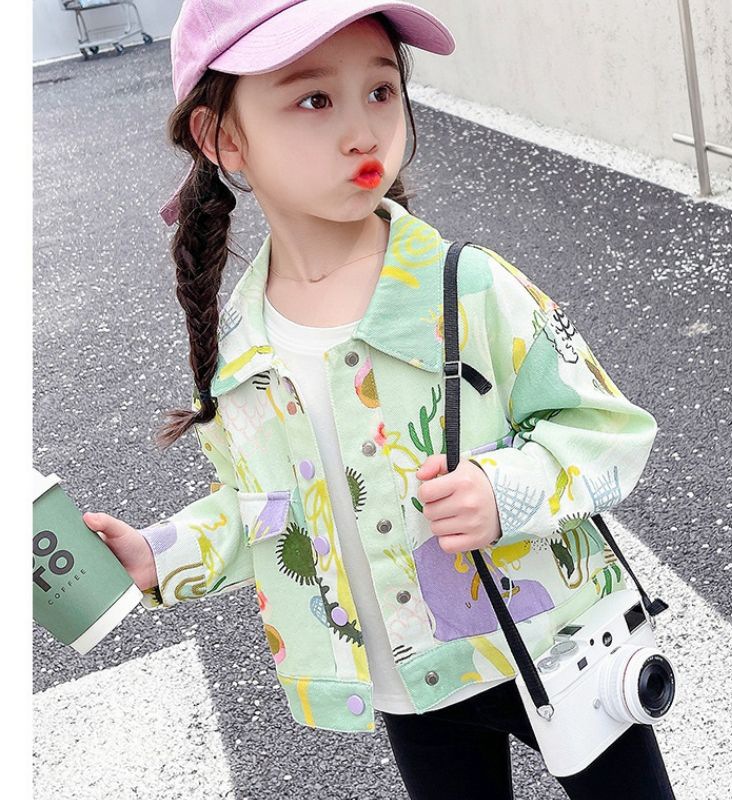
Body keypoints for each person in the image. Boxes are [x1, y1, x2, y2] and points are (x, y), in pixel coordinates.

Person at [81, 2, 676, 798]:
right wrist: (162, 557)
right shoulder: (241, 347)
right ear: (222, 138)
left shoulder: (469, 287)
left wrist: (502, 490)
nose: (364, 131)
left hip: (560, 644)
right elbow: (272, 512)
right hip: (411, 687)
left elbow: (609, 429)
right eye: (314, 99)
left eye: (382, 91)